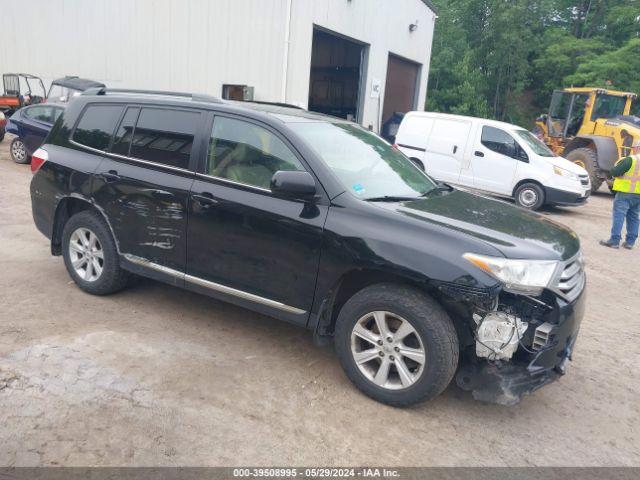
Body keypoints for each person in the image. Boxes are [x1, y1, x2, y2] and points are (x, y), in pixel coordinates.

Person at [600, 145, 640, 249]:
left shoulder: (631, 159)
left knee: (619, 216)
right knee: (634, 217)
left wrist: (615, 167)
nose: (633, 149)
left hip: (625, 193)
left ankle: (614, 240)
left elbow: (615, 172)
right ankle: (630, 242)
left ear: (638, 148)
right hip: (638, 195)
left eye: (634, 147)